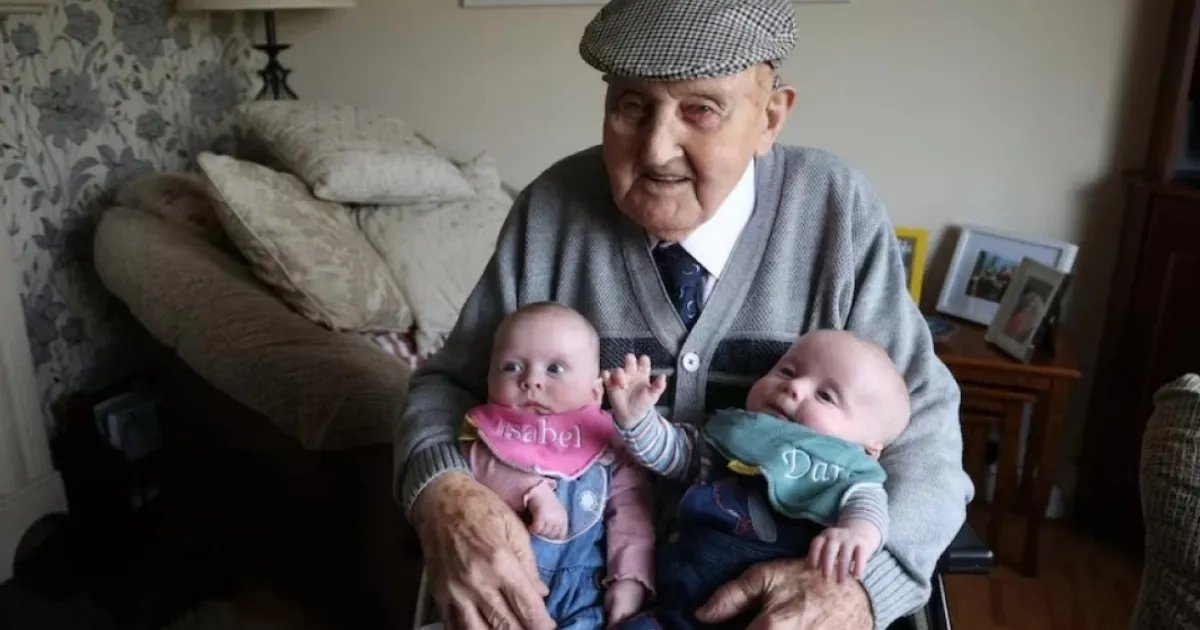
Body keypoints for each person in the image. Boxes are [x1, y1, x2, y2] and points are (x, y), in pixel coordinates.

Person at [395, 0, 974, 628]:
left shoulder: (835, 209)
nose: (657, 149)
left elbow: (926, 436)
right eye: (631, 106)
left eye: (700, 109)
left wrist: (865, 588)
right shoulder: (551, 209)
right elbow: (446, 385)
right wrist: (442, 493)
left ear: (769, 118)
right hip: (577, 599)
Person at [602, 329, 912, 630]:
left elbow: (869, 506)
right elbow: (674, 454)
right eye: (788, 371)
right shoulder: (736, 432)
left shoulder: (849, 471)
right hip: (672, 608)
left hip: (767, 612)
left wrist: (856, 534)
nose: (795, 387)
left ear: (869, 448)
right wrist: (638, 419)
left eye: (826, 396)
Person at [456, 302, 655, 628]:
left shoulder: (607, 446)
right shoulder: (490, 433)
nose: (531, 380)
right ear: (488, 379)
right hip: (501, 587)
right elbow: (479, 466)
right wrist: (532, 491)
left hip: (585, 595)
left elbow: (632, 514)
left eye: (555, 369)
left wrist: (629, 579)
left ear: (595, 393)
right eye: (511, 367)